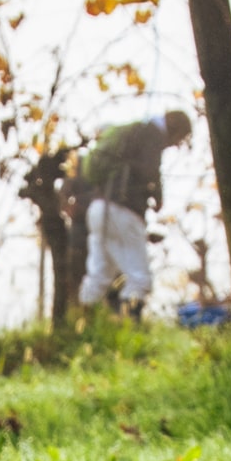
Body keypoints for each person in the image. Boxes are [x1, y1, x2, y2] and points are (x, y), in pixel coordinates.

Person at [78, 110, 192, 319]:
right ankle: (130, 330)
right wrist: (158, 195)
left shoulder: (133, 133)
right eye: (179, 138)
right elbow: (150, 169)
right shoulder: (153, 133)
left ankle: (82, 329)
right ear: (174, 126)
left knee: (99, 275)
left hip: (98, 208)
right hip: (123, 210)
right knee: (140, 278)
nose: (176, 144)